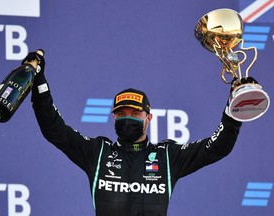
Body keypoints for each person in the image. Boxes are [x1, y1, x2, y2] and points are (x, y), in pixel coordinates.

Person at [24, 51, 242, 216]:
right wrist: (40, 85)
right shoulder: (98, 153)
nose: (127, 118)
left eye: (135, 113)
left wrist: (235, 106)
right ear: (113, 117)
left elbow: (218, 146)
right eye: (121, 113)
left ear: (149, 118)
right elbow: (54, 130)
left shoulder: (168, 156)